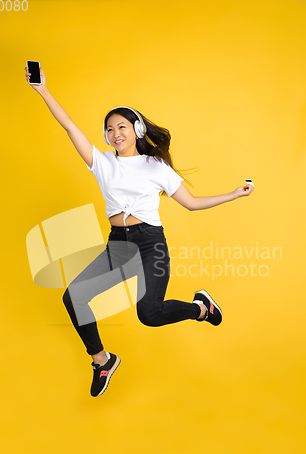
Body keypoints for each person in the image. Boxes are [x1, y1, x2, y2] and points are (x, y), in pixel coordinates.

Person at [25, 65, 255, 398]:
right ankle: (102, 361)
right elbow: (69, 126)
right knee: (74, 296)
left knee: (149, 313)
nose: (115, 133)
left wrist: (233, 194)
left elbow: (190, 203)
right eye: (109, 129)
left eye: (122, 126)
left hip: (150, 245)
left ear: (136, 129)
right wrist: (43, 90)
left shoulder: (155, 166)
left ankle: (201, 308)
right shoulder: (102, 162)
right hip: (118, 245)